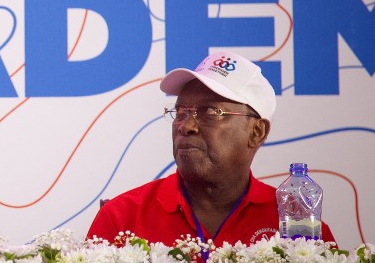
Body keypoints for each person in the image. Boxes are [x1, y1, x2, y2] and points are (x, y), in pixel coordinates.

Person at [86, 50, 336, 252]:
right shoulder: (121, 218)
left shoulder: (299, 226)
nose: (186, 126)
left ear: (256, 132)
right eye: (180, 112)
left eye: (210, 112)